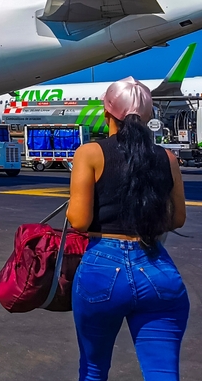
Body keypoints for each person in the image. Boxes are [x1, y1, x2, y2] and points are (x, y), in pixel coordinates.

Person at [67, 77, 188, 381]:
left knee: (93, 371)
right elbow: (176, 219)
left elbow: (79, 221)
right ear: (148, 117)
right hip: (157, 269)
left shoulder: (90, 153)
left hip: (102, 269)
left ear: (106, 112)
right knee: (163, 374)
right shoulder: (166, 157)